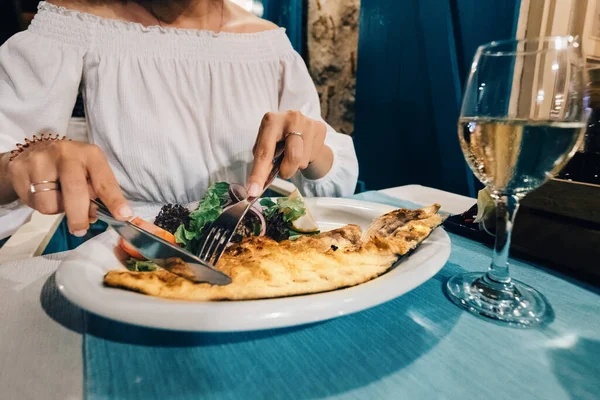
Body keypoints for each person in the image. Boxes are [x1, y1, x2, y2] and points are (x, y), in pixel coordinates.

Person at [0, 0, 358, 237]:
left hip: (255, 253)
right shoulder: (75, 25)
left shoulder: (270, 44)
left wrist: (313, 150)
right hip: (129, 257)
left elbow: (325, 179)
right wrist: (25, 159)